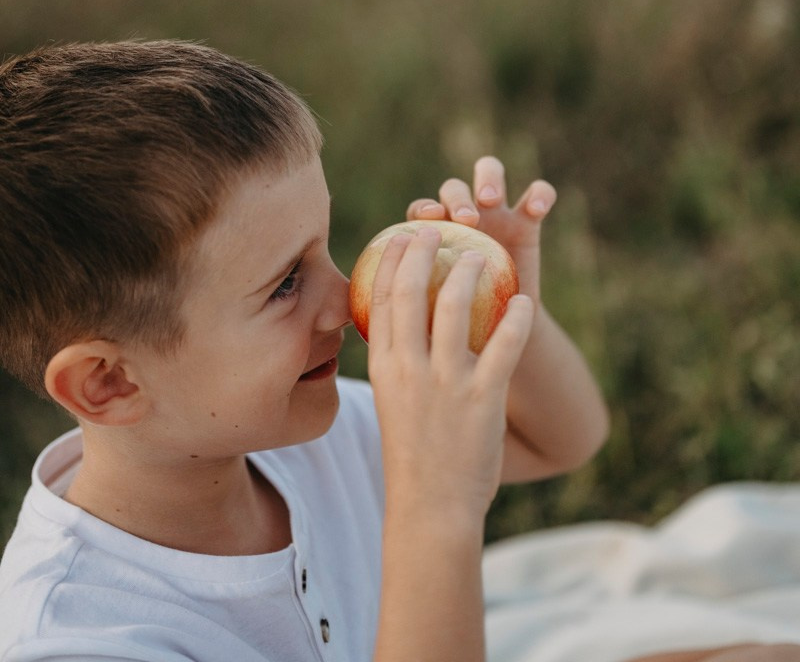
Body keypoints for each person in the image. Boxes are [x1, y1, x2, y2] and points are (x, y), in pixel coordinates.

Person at [0, 38, 609, 662]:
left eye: (325, 244)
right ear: (108, 384)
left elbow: (561, 440)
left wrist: (507, 316)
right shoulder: (78, 640)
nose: (347, 300)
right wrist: (434, 512)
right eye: (286, 283)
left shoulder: (319, 438)